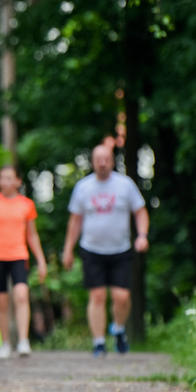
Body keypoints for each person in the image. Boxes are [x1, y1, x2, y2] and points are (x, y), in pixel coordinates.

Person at [61, 143, 149, 356]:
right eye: (98, 159)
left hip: (120, 250)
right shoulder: (83, 187)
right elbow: (75, 221)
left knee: (121, 297)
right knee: (97, 296)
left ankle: (118, 329)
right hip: (91, 249)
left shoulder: (125, 185)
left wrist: (142, 236)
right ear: (92, 162)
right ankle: (99, 342)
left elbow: (140, 212)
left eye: (106, 159)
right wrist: (68, 250)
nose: (102, 163)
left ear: (112, 160)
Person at [0, 165, 47, 359]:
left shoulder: (27, 204)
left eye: (9, 178)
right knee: (1, 301)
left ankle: (23, 341)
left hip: (19, 255)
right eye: (1, 178)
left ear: (18, 181)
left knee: (21, 295)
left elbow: (32, 235)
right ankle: (5, 343)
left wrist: (41, 260)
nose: (4, 182)